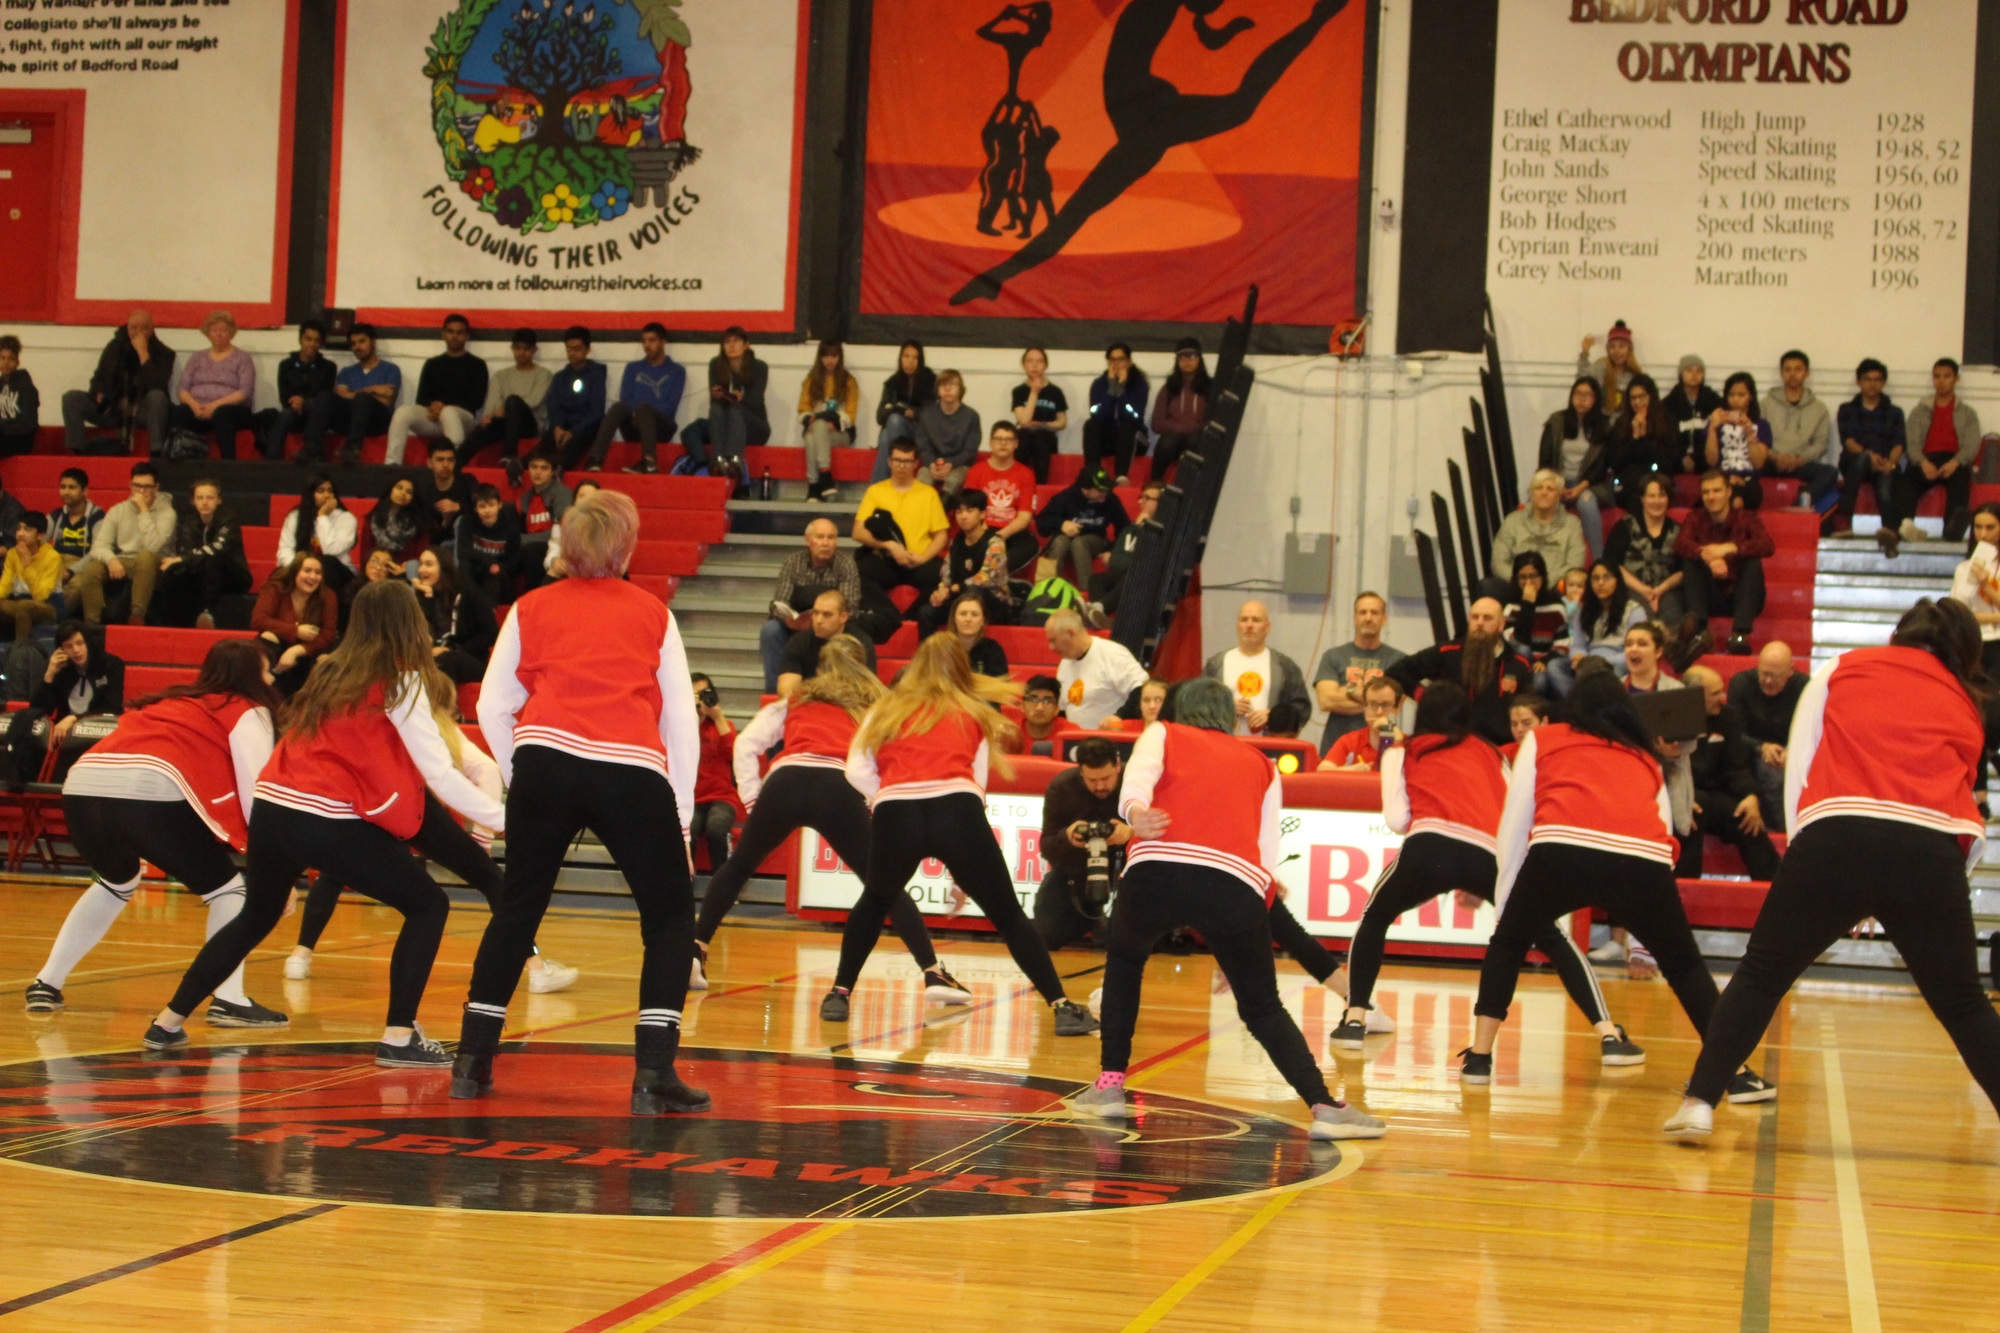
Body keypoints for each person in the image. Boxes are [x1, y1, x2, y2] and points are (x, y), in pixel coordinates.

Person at [1667, 599, 2000, 1140]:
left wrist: (1818, 866)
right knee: (1965, 1004)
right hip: (1928, 853)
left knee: (1761, 974)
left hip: (1834, 835)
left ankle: (1699, 1103)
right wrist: (1903, 894)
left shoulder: (1845, 666)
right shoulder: (1965, 700)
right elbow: (1956, 806)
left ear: (1899, 634)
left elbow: (1802, 760)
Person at [143, 581, 507, 1066]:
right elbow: (440, 772)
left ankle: (168, 1021)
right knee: (427, 905)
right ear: (411, 624)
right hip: (321, 815)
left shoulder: (331, 671)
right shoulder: (402, 680)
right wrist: (506, 819)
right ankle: (399, 1036)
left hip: (272, 808)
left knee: (256, 916)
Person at [456, 491, 707, 1112]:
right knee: (670, 917)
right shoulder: (654, 613)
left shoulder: (530, 606)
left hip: (545, 760)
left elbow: (490, 705)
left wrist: (521, 772)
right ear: (626, 547)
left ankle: (472, 1059)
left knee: (518, 909)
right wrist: (681, 820)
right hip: (630, 768)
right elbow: (681, 720)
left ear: (565, 547)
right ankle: (653, 1072)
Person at [1069, 676, 1384, 1139]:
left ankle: (1110, 1085)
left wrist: (1135, 814)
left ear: (1182, 709)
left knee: (1124, 967)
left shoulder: (1164, 732)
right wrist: (1242, 936)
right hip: (1233, 886)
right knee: (1262, 1006)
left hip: (1156, 869)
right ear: (1229, 716)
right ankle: (1325, 1106)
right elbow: (1266, 852)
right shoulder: (1262, 764)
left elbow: (1136, 780)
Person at [1456, 668, 1771, 1101]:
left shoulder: (1544, 739)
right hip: (1641, 860)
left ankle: (1479, 1057)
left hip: (1562, 849)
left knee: (1507, 944)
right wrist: (1647, 929)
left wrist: (1507, 899)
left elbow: (1516, 821)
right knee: (1684, 966)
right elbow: (1664, 829)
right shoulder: (1644, 754)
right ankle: (1736, 1073)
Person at [1330, 681, 1634, 1060]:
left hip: (1429, 846)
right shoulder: (1492, 752)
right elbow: (1513, 814)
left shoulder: (1403, 750)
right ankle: (1609, 1034)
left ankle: (1355, 1018)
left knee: (1375, 917)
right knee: (1552, 936)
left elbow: (1396, 819)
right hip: (1490, 853)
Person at [822, 633, 1098, 1035]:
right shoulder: (972, 710)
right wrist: (963, 856)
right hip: (957, 809)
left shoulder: (884, 709)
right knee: (1009, 915)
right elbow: (977, 781)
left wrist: (887, 795)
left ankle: (839, 994)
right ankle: (1062, 1007)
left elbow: (855, 771)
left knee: (875, 901)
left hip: (898, 810)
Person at [23, 641, 283, 1023]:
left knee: (116, 882)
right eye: (265, 670)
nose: (271, 679)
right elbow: (256, 795)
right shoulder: (249, 709)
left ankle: (46, 982)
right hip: (147, 787)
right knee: (230, 892)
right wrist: (271, 866)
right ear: (248, 676)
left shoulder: (169, 701)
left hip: (81, 785)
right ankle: (228, 998)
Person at [701, 635, 969, 997]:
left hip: (787, 779)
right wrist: (876, 801)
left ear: (820, 667)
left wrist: (753, 800)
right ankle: (932, 972)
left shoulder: (799, 696)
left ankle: (695, 950)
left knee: (738, 867)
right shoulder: (878, 702)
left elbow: (747, 744)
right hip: (838, 785)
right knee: (883, 885)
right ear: (865, 663)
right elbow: (892, 758)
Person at [283, 708, 578, 996]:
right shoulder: (423, 713)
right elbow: (486, 769)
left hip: (369, 805)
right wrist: (488, 833)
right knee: (486, 878)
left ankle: (300, 955)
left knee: (334, 875)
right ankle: (536, 967)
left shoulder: (351, 710)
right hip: (412, 806)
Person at [1676, 664, 1782, 881]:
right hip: (1681, 796)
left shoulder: (1728, 718)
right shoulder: (1673, 721)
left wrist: (1750, 796)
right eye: (1715, 694)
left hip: (1716, 797)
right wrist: (1680, 796)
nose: (1722, 698)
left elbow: (1737, 768)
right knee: (1692, 810)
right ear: (1695, 696)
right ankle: (1686, 886)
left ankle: (1776, 882)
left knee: (1745, 816)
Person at [1388, 596, 1535, 746]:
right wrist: (1424, 696)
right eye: (1475, 617)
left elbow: (1529, 709)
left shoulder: (1519, 664)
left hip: (1500, 747)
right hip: (1453, 744)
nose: (1479, 623)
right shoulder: (1448, 652)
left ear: (1501, 624)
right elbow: (1396, 671)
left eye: (1487, 618)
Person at [1032, 737, 1130, 949]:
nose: (1100, 786)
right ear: (1080, 771)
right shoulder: (1062, 787)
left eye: (1106, 778)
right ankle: (1090, 919)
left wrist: (1131, 833)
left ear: (1118, 765)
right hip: (1076, 870)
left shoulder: (1136, 783)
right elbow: (1046, 847)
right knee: (1045, 935)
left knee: (1131, 942)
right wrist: (1066, 838)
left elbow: (1166, 835)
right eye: (1091, 780)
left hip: (1127, 870)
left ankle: (1110, 925)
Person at [5, 620, 123, 782]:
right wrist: (49, 674)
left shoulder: (112, 664)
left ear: (88, 642)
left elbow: (112, 707)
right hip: (63, 737)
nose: (76, 650)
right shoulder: (62, 669)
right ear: (61, 650)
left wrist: (74, 719)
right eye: (68, 646)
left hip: (98, 732)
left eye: (79, 643)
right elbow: (38, 709)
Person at [1675, 470, 1773, 657]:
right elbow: (1680, 544)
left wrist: (1730, 548)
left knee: (1752, 561)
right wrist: (1709, 557)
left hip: (1742, 596)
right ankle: (1700, 632)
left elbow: (1767, 545)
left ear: (1729, 492)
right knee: (1690, 561)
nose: (1711, 497)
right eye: (1706, 492)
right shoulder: (1695, 518)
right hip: (1709, 594)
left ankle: (1739, 634)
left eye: (1716, 490)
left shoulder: (1746, 518)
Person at [762, 518, 864, 691]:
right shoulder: (793, 563)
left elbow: (850, 607)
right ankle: (774, 693)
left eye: (831, 537)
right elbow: (778, 603)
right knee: (770, 630)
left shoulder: (846, 565)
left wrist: (818, 620)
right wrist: (789, 620)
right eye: (820, 537)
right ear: (808, 540)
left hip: (832, 627)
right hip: (795, 626)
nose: (826, 543)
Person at [69, 462, 175, 627]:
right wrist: (111, 559)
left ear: (156, 488)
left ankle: (137, 616)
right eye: (137, 486)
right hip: (125, 559)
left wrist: (143, 511)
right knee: (92, 568)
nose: (142, 491)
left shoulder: (167, 512)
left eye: (147, 487)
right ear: (130, 485)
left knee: (145, 557)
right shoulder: (118, 510)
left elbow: (152, 547)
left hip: (158, 562)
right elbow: (99, 546)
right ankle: (92, 624)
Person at [62, 310, 173, 455]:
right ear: (127, 328)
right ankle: (78, 451)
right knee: (71, 398)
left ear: (152, 329)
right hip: (111, 407)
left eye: (144, 328)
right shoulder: (114, 347)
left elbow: (157, 384)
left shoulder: (164, 353)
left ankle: (156, 453)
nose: (138, 332)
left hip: (141, 412)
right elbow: (98, 378)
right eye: (134, 328)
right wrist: (97, 392)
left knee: (157, 397)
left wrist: (143, 353)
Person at [852, 439, 949, 606]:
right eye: (897, 460)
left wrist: (922, 558)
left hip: (918, 560)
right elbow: (857, 532)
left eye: (907, 461)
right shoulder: (875, 491)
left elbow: (941, 535)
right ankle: (887, 615)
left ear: (916, 464)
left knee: (943, 577)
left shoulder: (929, 494)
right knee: (859, 574)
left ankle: (913, 616)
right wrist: (889, 545)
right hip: (886, 559)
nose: (902, 466)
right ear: (889, 462)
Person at [1313, 591, 1408, 755]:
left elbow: (1396, 703)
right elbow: (1326, 700)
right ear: (1355, 618)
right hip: (1337, 746)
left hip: (1383, 746)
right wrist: (1377, 703)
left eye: (1374, 613)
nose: (1368, 618)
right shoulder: (1333, 656)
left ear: (1384, 619)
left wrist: (1348, 690)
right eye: (1362, 612)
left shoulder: (1399, 660)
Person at [1900, 357, 1983, 545]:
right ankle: (1906, 527)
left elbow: (1972, 445)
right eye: (1937, 376)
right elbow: (1911, 443)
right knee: (1905, 481)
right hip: (1926, 459)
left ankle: (1952, 531)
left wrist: (1955, 462)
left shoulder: (1967, 413)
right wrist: (1923, 462)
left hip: (1954, 459)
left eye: (1947, 376)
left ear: (1956, 379)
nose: (1941, 381)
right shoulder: (1919, 411)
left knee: (1961, 480)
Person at [388, 314, 487, 467]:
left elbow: (476, 401)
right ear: (443, 334)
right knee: (403, 412)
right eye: (450, 331)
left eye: (459, 332)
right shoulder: (432, 363)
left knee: (449, 412)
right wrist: (435, 407)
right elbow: (421, 399)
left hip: (463, 420)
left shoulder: (477, 365)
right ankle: (392, 464)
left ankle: (455, 465)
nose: (455, 336)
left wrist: (443, 407)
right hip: (434, 417)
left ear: (467, 336)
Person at [1201, 599, 1310, 736]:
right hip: (1225, 742)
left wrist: (1274, 716)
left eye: (1256, 620)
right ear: (1237, 626)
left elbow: (1302, 709)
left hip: (1269, 745)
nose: (1249, 625)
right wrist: (1226, 708)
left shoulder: (1285, 667)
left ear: (1267, 627)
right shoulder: (1216, 665)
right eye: (1244, 620)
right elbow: (1199, 704)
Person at [1832, 357, 1907, 554]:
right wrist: (1870, 457)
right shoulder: (1847, 409)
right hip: (1855, 461)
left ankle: (1889, 530)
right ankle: (1844, 520)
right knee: (1862, 459)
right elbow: (1849, 442)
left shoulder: (1894, 412)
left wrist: (1890, 463)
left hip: (1885, 462)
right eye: (1867, 379)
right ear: (1859, 381)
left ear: (1883, 382)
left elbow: (1898, 444)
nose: (1872, 384)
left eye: (1877, 379)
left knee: (1886, 481)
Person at [1728, 640, 1804, 833]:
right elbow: (1733, 732)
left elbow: (1809, 732)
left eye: (1775, 676)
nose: (1768, 681)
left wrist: (1792, 751)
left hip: (1789, 752)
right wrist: (1761, 747)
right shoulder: (1741, 683)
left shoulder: (1804, 687)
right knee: (1773, 773)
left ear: (1791, 671)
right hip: (1748, 750)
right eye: (1764, 673)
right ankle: (1784, 830)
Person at [152, 479, 248, 630]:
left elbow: (218, 548)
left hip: (233, 575)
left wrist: (183, 558)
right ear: (193, 501)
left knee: (211, 559)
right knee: (172, 570)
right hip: (201, 573)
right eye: (200, 498)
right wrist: (183, 559)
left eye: (210, 498)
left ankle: (208, 613)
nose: (205, 502)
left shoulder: (229, 518)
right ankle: (168, 624)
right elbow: (186, 552)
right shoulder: (188, 522)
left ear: (219, 500)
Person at [592, 322, 684, 475]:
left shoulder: (677, 371)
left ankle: (649, 462)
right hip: (635, 425)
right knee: (618, 407)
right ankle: (596, 459)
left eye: (652, 340)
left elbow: (670, 406)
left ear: (663, 342)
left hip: (662, 428)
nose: (647, 345)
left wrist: (642, 413)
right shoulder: (633, 368)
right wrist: (637, 415)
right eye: (644, 341)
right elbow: (625, 397)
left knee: (644, 409)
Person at [164, 310, 255, 459]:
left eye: (223, 330)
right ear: (208, 333)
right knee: (180, 412)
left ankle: (228, 463)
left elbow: (245, 392)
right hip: (199, 408)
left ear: (231, 333)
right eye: (214, 330)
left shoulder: (242, 357)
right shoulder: (196, 357)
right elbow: (182, 389)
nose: (218, 334)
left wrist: (214, 406)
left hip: (231, 410)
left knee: (222, 414)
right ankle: (180, 459)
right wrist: (195, 406)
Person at [920, 491, 1014, 634]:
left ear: (982, 514)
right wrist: (941, 589)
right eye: (959, 511)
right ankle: (930, 649)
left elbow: (984, 577)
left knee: (972, 593)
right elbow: (946, 572)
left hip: (992, 603)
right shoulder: (957, 541)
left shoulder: (995, 542)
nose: (963, 516)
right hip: (960, 598)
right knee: (926, 611)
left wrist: (953, 589)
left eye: (969, 511)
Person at [1538, 376, 1612, 558]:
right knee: (1542, 501)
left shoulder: (1604, 425)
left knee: (1586, 502)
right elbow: (1545, 459)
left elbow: (1602, 465)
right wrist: (1556, 485)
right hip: (1558, 482)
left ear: (1596, 399)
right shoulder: (1557, 421)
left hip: (1590, 484)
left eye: (1588, 395)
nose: (1582, 399)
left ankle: (1599, 559)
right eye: (1578, 393)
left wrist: (1580, 487)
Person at [1551, 559, 1644, 696]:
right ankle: (1578, 701)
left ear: (1617, 580)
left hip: (1617, 663)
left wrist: (1602, 661)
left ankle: (1585, 701)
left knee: (1619, 668)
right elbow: (1578, 645)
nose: (1601, 583)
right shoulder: (1583, 610)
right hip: (1588, 662)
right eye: (1595, 578)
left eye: (1607, 577)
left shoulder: (1634, 610)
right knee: (1555, 666)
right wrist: (1578, 656)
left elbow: (1636, 651)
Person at [1603, 474, 1686, 629]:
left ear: (1668, 499)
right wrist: (1644, 590)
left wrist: (1659, 590)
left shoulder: (1679, 530)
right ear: (1642, 499)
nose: (1656, 501)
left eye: (1661, 496)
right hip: (1632, 588)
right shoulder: (1625, 526)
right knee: (1643, 618)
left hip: (1667, 589)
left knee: (1672, 616)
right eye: (1651, 496)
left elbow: (1683, 570)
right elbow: (1612, 563)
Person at [1762, 349, 1838, 514]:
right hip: (1772, 461)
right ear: (1781, 373)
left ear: (1806, 373)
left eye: (1798, 369)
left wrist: (1799, 459)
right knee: (1744, 468)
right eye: (1788, 369)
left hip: (1801, 463)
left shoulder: (1819, 408)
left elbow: (1821, 444)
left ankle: (1797, 506)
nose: (1793, 374)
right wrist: (1776, 456)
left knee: (1830, 472)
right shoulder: (1765, 404)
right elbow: (1757, 440)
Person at [961, 422, 1043, 576]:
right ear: (991, 443)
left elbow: (1024, 517)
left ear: (1016, 444)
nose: (1003, 443)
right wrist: (985, 535)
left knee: (1030, 545)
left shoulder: (1026, 474)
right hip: (982, 529)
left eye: (1008, 439)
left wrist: (999, 536)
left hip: (1011, 530)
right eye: (998, 439)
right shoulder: (975, 472)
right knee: (972, 544)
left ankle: (988, 576)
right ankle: (989, 578)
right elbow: (969, 511)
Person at [465, 329, 551, 474]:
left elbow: (533, 401)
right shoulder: (500, 376)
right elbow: (491, 405)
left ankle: (509, 455)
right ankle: (458, 460)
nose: (521, 353)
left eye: (526, 349)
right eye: (517, 348)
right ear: (512, 348)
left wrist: (506, 409)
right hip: (505, 423)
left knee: (513, 401)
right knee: (482, 429)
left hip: (530, 425)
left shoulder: (544, 374)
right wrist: (488, 418)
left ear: (534, 350)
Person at [254, 553, 340, 697]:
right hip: (280, 643)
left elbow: (328, 635)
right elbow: (259, 620)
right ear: (295, 572)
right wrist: (295, 631)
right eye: (307, 571)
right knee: (267, 637)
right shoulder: (276, 588)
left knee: (325, 659)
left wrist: (296, 651)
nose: (313, 577)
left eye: (318, 572)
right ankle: (263, 695)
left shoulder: (328, 596)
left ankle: (312, 703)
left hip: (311, 648)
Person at [317, 323, 401, 466]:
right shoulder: (346, 372)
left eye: (362, 341)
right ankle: (313, 447)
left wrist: (355, 394)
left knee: (362, 399)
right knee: (325, 396)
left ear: (373, 342)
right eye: (353, 343)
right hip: (351, 420)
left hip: (377, 422)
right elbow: (341, 396)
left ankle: (353, 449)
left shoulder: (390, 369)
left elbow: (387, 401)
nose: (357, 347)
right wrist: (373, 389)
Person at [1047, 608, 1147, 727]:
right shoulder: (1065, 664)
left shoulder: (1112, 653)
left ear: (1071, 633)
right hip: (1076, 736)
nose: (1051, 647)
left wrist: (1120, 716)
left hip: (1107, 736)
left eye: (1053, 640)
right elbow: (1063, 709)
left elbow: (1143, 688)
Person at [1035, 467, 1130, 591]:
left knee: (1079, 543)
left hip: (1095, 540)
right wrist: (1061, 524)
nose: (1105, 492)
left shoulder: (1110, 499)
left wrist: (1113, 550)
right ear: (1085, 490)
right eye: (1100, 490)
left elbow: (1125, 527)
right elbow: (1042, 522)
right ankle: (1048, 591)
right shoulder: (1066, 497)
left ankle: (1087, 592)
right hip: (1065, 538)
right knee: (1060, 542)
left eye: (1107, 489)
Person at [413, 547, 496, 685]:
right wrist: (428, 596)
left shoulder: (468, 591)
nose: (422, 569)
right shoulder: (422, 596)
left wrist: (452, 650)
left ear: (443, 567)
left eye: (428, 564)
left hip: (469, 658)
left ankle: (441, 699)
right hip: (435, 655)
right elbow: (425, 634)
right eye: (420, 564)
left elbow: (490, 633)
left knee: (445, 660)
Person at [776, 589, 879, 696]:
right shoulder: (798, 642)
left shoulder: (859, 643)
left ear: (843, 617)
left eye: (827, 615)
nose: (818, 620)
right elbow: (786, 691)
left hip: (848, 703)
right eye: (815, 613)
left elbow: (866, 690)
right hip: (809, 702)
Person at [1086, 480, 1160, 625]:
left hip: (1144, 581)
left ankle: (1098, 609)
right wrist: (1125, 561)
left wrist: (1142, 530)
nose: (1141, 502)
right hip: (1122, 574)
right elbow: (1115, 560)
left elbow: (1147, 563)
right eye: (1141, 497)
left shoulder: (1164, 532)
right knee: (1096, 579)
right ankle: (1100, 617)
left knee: (1132, 577)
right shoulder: (1129, 529)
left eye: (1147, 498)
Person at [688, 672, 740, 878]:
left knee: (717, 828)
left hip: (722, 797)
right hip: (692, 799)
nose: (701, 700)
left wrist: (718, 717)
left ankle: (725, 883)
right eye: (696, 695)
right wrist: (692, 718)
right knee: (687, 830)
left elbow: (735, 754)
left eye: (705, 694)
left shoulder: (723, 725)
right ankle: (684, 884)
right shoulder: (682, 727)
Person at [704, 326, 770, 488]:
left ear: (746, 345)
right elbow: (714, 403)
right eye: (727, 342)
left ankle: (735, 461)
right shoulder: (715, 364)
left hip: (755, 426)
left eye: (736, 341)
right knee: (716, 409)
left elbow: (756, 401)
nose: (731, 345)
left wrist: (741, 398)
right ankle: (718, 460)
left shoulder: (760, 367)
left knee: (735, 409)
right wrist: (719, 395)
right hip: (727, 423)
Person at [1490, 469, 1587, 580]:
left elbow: (1575, 565)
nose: (1544, 493)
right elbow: (1498, 561)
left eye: (1550, 489)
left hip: (1555, 585)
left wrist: (1542, 582)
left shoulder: (1572, 524)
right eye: (1538, 488)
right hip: (1516, 583)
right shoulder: (1513, 520)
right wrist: (1521, 580)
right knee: (1487, 586)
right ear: (1531, 493)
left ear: (1559, 495)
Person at [263, 321, 337, 461]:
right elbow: (284, 397)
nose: (312, 344)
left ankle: (312, 452)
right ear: (300, 339)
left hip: (317, 414)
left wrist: (304, 401)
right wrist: (297, 403)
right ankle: (271, 460)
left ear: (321, 344)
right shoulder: (286, 365)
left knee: (318, 403)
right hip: (293, 410)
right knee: (285, 414)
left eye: (316, 341)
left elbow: (324, 396)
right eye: (308, 339)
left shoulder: (329, 367)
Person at [797, 339, 859, 502]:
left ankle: (815, 485)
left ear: (840, 358)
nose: (829, 361)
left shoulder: (849, 381)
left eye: (834, 356)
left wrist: (835, 422)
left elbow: (851, 416)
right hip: (816, 429)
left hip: (841, 433)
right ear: (820, 358)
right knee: (815, 431)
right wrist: (820, 422)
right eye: (825, 356)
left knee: (813, 434)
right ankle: (824, 477)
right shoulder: (811, 380)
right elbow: (803, 410)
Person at [1605, 373, 1680, 506]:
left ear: (1651, 396)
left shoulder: (1667, 421)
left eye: (1642, 397)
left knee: (1647, 491)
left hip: (1658, 479)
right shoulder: (1621, 423)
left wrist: (1645, 435)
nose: (1637, 402)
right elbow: (1616, 464)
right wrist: (1635, 437)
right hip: (1628, 483)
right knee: (1633, 492)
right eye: (1633, 398)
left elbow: (1666, 463)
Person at [275, 474, 358, 592]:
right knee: (277, 575)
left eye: (330, 491)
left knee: (327, 562)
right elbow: (285, 550)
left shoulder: (346, 518)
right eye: (320, 491)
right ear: (310, 494)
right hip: (301, 569)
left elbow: (331, 550)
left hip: (338, 572)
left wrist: (322, 516)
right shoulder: (295, 517)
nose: (327, 495)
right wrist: (302, 569)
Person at [1702, 371, 1771, 511]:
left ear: (1750, 396)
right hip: (1721, 479)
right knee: (1727, 496)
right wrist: (1712, 428)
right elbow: (1711, 461)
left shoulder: (1761, 425)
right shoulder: (1716, 423)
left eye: (1741, 395)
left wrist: (1749, 432)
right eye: (1731, 395)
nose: (1735, 399)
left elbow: (1758, 463)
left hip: (1749, 482)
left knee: (1745, 495)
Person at [1083, 342, 1149, 484]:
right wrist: (1111, 391)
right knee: (1091, 425)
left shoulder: (1139, 384)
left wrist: (1122, 391)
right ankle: (1093, 475)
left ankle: (1121, 476)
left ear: (1129, 362)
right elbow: (1096, 413)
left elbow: (1134, 415)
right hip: (1108, 440)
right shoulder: (1099, 384)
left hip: (1133, 439)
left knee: (1128, 426)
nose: (1116, 364)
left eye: (1121, 359)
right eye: (1112, 360)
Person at [871, 341, 937, 481]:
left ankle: (878, 487)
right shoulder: (892, 383)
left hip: (919, 434)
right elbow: (880, 417)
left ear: (920, 360)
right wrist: (900, 410)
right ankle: (883, 486)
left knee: (892, 423)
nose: (910, 361)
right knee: (888, 432)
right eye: (906, 356)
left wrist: (912, 412)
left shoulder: (930, 381)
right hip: (896, 432)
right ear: (900, 358)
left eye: (915, 357)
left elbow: (931, 415)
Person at [545, 326, 607, 475]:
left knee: (578, 439)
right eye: (569, 349)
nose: (572, 353)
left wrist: (573, 432)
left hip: (586, 426)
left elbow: (597, 411)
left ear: (587, 349)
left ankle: (560, 469)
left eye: (577, 349)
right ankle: (525, 465)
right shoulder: (560, 377)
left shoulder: (597, 376)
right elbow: (554, 406)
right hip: (565, 424)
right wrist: (557, 427)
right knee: (548, 438)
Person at [1501, 552, 1567, 683]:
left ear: (1542, 577)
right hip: (1521, 662)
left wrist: (1544, 661)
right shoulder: (1510, 606)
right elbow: (1516, 642)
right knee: (1524, 652)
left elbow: (1563, 643)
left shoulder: (1555, 604)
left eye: (1533, 576)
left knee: (1544, 678)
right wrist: (1527, 605)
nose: (1528, 582)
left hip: (1548, 661)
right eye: (1523, 577)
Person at [1150, 338, 1209, 481]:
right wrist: (1181, 428)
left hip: (1196, 441)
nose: (1187, 361)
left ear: (1199, 359)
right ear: (1177, 360)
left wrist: (1189, 428)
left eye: (1192, 356)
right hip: (1173, 442)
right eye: (1182, 357)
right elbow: (1156, 424)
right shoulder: (1169, 388)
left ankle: (1188, 486)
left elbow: (1211, 421)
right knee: (1168, 442)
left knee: (1195, 441)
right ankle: (1155, 482)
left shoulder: (1210, 387)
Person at [916, 370, 982, 494]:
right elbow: (923, 447)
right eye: (943, 385)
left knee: (953, 481)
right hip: (932, 463)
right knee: (923, 480)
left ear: (960, 389)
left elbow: (970, 450)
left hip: (960, 464)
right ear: (937, 390)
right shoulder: (926, 415)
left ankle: (942, 506)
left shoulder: (971, 416)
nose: (948, 389)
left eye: (953, 385)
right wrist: (931, 464)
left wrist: (951, 464)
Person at [514, 450, 572, 590]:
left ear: (553, 472)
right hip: (530, 545)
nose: (538, 472)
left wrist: (521, 540)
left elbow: (561, 532)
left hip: (555, 546)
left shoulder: (562, 495)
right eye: (534, 467)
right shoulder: (525, 498)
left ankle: (533, 594)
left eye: (544, 468)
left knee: (531, 551)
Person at [457, 483, 522, 607]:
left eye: (491, 505)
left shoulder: (511, 527)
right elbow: (463, 552)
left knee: (491, 575)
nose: (487, 511)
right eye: (482, 506)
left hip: (500, 578)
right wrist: (489, 561)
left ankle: (489, 612)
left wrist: (497, 567)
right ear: (475, 509)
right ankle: (465, 607)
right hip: (476, 572)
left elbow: (514, 563)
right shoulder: (466, 522)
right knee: (464, 566)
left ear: (499, 504)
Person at [1010, 346, 1067, 483]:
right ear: (1024, 365)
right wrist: (1034, 392)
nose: (1034, 365)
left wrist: (1042, 424)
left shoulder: (1055, 391)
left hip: (1046, 436)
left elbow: (1062, 422)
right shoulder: (1019, 391)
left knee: (1040, 435)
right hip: (1025, 437)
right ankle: (1020, 483)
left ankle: (1041, 485)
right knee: (1023, 436)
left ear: (1045, 366)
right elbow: (1024, 420)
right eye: (1030, 361)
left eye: (1039, 361)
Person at [0, 515, 60, 643]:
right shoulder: (12, 554)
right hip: (19, 603)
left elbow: (41, 595)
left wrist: (27, 566)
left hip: (49, 606)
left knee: (24, 606)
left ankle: (20, 649)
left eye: (27, 529)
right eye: (19, 529)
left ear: (41, 536)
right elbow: (4, 586)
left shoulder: (52, 557)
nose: (20, 534)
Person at [1320, 677, 1402, 771]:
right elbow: (1322, 770)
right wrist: (1350, 771)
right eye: (1373, 704)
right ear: (1365, 708)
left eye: (1386, 705)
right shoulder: (1350, 741)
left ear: (1397, 709)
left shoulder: (1408, 743)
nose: (1379, 712)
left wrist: (1399, 745)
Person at [1663, 354, 1721, 477]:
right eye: (1689, 370)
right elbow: (1667, 436)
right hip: (1677, 458)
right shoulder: (1668, 403)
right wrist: (1682, 455)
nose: (1694, 375)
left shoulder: (1714, 401)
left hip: (1706, 458)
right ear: (1681, 374)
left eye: (1699, 371)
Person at [414, 438, 476, 550]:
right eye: (440, 460)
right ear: (429, 463)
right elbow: (433, 539)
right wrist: (445, 522)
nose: (446, 464)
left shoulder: (468, 481)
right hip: (445, 545)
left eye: (450, 460)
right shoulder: (426, 492)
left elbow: (483, 510)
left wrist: (458, 507)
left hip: (472, 539)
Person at [48, 468, 103, 578]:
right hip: (57, 564)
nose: (66, 492)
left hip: (82, 567)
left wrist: (71, 571)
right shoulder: (56, 515)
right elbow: (38, 538)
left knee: (77, 584)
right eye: (63, 487)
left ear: (85, 491)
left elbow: (96, 552)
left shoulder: (97, 517)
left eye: (72, 487)